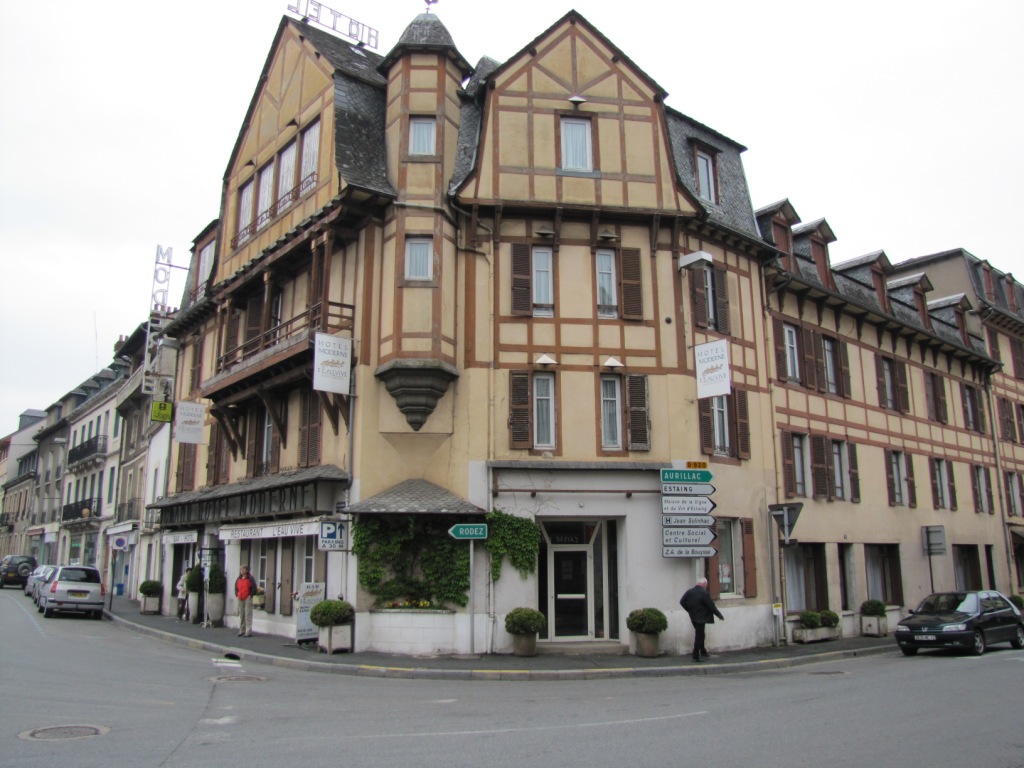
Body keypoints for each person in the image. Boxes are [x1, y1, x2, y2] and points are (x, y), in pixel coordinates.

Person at [680, 577, 724, 662]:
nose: (706, 586)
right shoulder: (704, 593)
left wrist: (689, 610)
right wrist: (719, 615)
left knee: (700, 634)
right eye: (706, 585)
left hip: (693, 617)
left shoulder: (689, 591)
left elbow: (682, 602)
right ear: (704, 584)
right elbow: (711, 606)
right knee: (699, 636)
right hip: (701, 617)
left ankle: (703, 652)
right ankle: (696, 655)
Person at [235, 565, 258, 637]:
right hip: (240, 597)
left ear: (246, 570)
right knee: (242, 615)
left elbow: (254, 587)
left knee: (248, 615)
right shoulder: (239, 578)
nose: (241, 571)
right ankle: (242, 630)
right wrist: (237, 594)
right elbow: (236, 587)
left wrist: (250, 595)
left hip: (247, 597)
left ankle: (248, 631)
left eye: (243, 569)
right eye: (241, 569)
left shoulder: (250, 578)